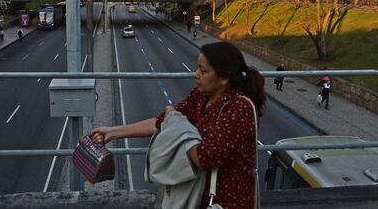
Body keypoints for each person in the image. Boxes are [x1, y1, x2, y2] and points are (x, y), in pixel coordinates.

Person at [91, 41, 266, 209]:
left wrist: (180, 125)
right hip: (196, 198)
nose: (195, 74)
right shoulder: (201, 96)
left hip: (225, 202)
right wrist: (112, 133)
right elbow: (163, 121)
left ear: (224, 78)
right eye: (198, 67)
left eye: (203, 71)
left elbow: (204, 158)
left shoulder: (238, 107)